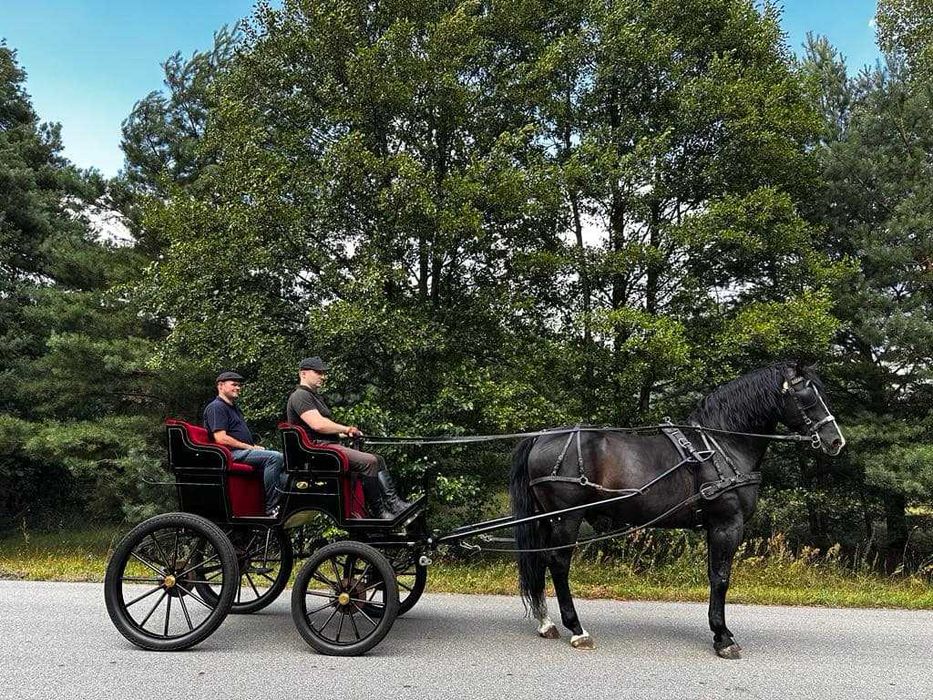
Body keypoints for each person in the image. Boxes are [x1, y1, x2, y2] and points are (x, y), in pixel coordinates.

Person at [285, 356, 411, 519]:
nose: (323, 377)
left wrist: (345, 434)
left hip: (325, 445)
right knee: (370, 462)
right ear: (303, 374)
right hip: (317, 450)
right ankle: (379, 512)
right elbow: (318, 425)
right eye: (318, 372)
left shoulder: (313, 396)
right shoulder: (300, 396)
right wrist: (346, 428)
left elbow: (322, 428)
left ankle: (394, 504)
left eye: (323, 373)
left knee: (379, 459)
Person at [203, 371, 285, 517]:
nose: (238, 388)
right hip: (230, 454)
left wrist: (254, 447)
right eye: (234, 384)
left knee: (283, 460)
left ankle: (281, 503)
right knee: (274, 458)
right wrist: (250, 447)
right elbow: (221, 438)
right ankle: (272, 508)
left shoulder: (234, 408)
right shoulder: (216, 407)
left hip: (241, 452)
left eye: (239, 385)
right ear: (220, 386)